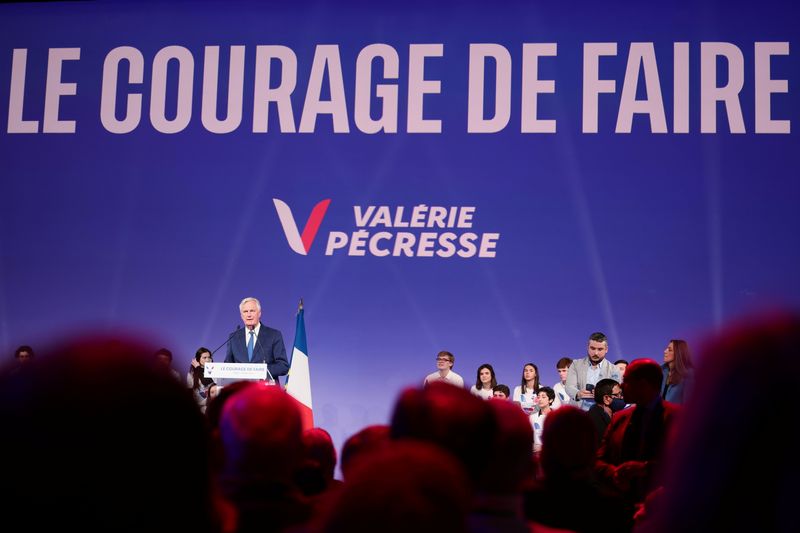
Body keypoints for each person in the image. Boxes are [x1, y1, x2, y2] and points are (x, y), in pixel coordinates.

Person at [595, 359, 680, 504]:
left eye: (626, 380)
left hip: (664, 510)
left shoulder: (679, 418)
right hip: (620, 509)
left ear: (643, 384)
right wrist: (614, 473)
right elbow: (598, 460)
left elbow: (689, 466)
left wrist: (646, 469)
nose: (621, 385)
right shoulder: (619, 418)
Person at [224, 296, 289, 383]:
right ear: (241, 316)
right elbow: (227, 365)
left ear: (259, 313)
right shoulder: (233, 337)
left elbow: (283, 366)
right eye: (245, 311)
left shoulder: (274, 335)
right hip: (242, 391)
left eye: (252, 311)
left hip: (266, 390)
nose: (249, 315)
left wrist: (259, 371)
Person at [565, 332, 622, 410]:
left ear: (606, 349)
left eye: (600, 349)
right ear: (588, 347)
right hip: (577, 413)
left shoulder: (614, 369)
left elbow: (616, 394)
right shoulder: (576, 364)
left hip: (601, 413)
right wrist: (578, 394)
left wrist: (601, 394)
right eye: (592, 348)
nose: (596, 353)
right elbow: (569, 386)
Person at [586, 378, 623, 449]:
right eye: (618, 395)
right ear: (606, 399)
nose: (621, 397)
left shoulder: (613, 415)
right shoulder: (593, 420)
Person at [661, 339, 694, 404]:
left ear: (678, 353)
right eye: (666, 349)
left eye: (670, 350)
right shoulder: (661, 371)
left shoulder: (688, 374)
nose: (665, 351)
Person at [187, 346, 218, 413]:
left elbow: (210, 384)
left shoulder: (214, 372)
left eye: (209, 357)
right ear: (198, 359)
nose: (207, 360)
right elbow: (189, 393)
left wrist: (198, 367)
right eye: (204, 357)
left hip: (210, 407)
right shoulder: (191, 374)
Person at [530, 386, 555, 454]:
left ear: (550, 400)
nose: (540, 399)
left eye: (543, 397)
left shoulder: (558, 418)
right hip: (535, 454)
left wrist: (543, 447)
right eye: (538, 397)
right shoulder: (532, 418)